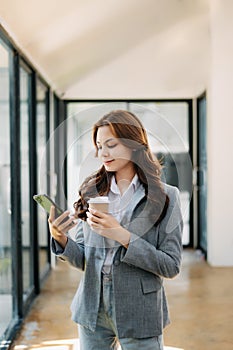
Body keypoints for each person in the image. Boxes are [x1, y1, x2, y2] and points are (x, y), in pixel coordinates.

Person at [48, 109, 183, 350]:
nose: (103, 153)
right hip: (92, 308)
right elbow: (83, 260)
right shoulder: (91, 192)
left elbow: (170, 265)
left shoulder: (166, 196)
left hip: (140, 310)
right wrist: (61, 238)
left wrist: (121, 235)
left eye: (111, 144)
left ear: (134, 144)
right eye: (99, 146)